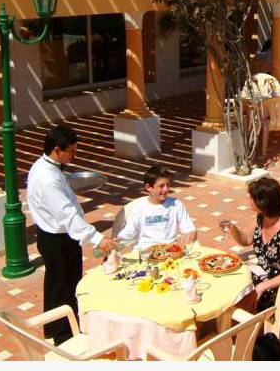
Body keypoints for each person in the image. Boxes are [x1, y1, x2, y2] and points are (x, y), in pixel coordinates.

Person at [27, 125, 117, 345]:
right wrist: (98, 238)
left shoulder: (47, 166)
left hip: (57, 236)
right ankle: (64, 336)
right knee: (62, 286)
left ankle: (57, 326)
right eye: (71, 151)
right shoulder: (47, 179)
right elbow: (67, 215)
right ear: (57, 150)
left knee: (60, 283)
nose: (73, 155)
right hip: (57, 239)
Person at [222, 177, 280, 312]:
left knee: (243, 300)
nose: (249, 200)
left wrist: (262, 287)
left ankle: (252, 324)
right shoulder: (261, 217)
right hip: (264, 274)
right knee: (232, 285)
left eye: (251, 198)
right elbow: (246, 240)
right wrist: (233, 229)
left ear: (262, 202)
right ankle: (242, 321)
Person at [116, 164, 196, 251]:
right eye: (161, 186)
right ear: (148, 187)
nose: (166, 189)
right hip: (145, 252)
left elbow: (189, 229)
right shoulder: (138, 208)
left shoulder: (176, 204)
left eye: (168, 185)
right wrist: (116, 242)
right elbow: (128, 233)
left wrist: (189, 237)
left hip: (170, 251)